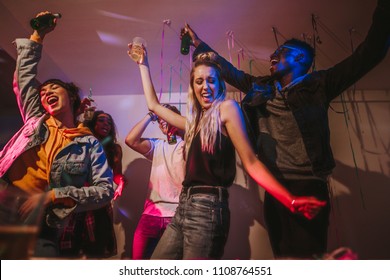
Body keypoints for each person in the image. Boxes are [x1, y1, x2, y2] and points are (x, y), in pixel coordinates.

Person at [183, 0, 390, 259]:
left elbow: (368, 55)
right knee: (283, 258)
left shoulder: (320, 84)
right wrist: (199, 44)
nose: (273, 54)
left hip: (308, 184)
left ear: (300, 58)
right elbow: (231, 73)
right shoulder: (262, 87)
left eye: (281, 51)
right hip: (275, 187)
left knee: (307, 258)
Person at [127, 43, 326, 259]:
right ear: (193, 87)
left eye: (211, 80)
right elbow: (154, 106)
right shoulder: (194, 123)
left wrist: (291, 200)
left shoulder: (227, 109)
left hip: (207, 209)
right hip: (183, 207)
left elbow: (251, 163)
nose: (205, 86)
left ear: (219, 85)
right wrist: (143, 64)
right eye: (199, 81)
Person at [0, 11, 114, 257]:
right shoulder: (36, 119)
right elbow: (24, 79)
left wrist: (55, 195)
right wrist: (37, 36)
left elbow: (105, 190)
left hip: (44, 220)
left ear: (71, 96)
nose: (46, 92)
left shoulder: (88, 143)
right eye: (43, 92)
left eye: (54, 87)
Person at [58, 110, 126, 258]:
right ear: (93, 123)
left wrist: (120, 182)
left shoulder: (114, 149)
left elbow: (117, 174)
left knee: (96, 248)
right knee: (71, 248)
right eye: (101, 120)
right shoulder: (81, 142)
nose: (106, 124)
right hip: (77, 198)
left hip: (98, 201)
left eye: (109, 123)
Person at [125, 105, 185, 259]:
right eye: (159, 119)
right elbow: (130, 140)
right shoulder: (157, 145)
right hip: (151, 214)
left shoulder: (187, 144)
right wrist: (151, 115)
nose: (162, 121)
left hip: (177, 214)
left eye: (166, 117)